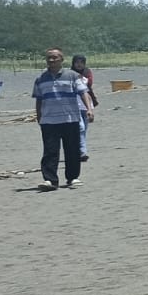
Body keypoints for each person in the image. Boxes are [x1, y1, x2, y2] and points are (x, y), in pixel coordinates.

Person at [32, 49, 93, 190]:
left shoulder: (72, 76)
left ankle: (73, 178)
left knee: (72, 149)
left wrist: (89, 109)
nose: (51, 60)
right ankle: (50, 180)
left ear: (61, 59)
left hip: (70, 118)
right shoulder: (40, 78)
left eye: (54, 58)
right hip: (49, 120)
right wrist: (39, 115)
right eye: (49, 58)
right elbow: (39, 99)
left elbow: (83, 92)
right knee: (50, 151)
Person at [71, 55, 99, 163]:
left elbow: (88, 86)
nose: (79, 64)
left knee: (84, 130)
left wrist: (90, 109)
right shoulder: (70, 74)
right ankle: (82, 152)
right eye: (77, 62)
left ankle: (79, 151)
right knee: (80, 128)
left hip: (87, 104)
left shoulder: (87, 73)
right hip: (74, 104)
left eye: (81, 62)